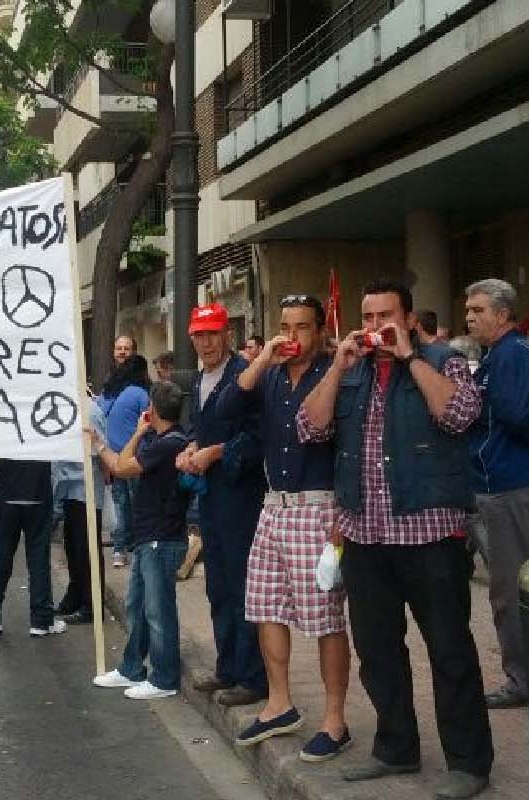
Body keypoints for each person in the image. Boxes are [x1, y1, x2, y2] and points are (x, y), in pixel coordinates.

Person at [298, 278, 492, 800]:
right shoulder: (351, 368)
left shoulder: (441, 360)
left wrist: (410, 359)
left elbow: (460, 414)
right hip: (365, 538)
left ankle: (470, 763)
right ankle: (395, 747)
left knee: (450, 651)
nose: (376, 326)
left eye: (387, 315)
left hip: (430, 536)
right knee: (379, 652)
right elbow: (310, 429)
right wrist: (336, 367)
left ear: (407, 319)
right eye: (368, 317)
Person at [222, 295, 351, 762]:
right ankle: (280, 703)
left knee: (325, 616)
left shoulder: (336, 372)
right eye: (285, 325)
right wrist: (262, 357)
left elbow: (344, 444)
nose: (292, 336)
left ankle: (335, 720)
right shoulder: (272, 373)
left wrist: (343, 516)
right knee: (263, 603)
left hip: (318, 505)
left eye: (301, 327)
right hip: (273, 504)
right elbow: (229, 405)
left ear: (319, 331)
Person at [466, 279, 529, 711]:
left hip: (512, 482)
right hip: (523, 480)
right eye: (468, 309)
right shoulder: (522, 351)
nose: (469, 316)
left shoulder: (508, 355)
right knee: (519, 583)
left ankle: (525, 679)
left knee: (511, 589)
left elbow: (510, 411)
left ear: (502, 315)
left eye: (477, 309)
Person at [176, 303, 268, 708]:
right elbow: (199, 428)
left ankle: (252, 675)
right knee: (217, 585)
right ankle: (227, 665)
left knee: (242, 584)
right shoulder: (198, 381)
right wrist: (192, 446)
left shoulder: (243, 377)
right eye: (200, 334)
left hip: (240, 494)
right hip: (210, 496)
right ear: (192, 337)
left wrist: (217, 453)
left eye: (213, 333)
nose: (207, 341)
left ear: (227, 334)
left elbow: (256, 438)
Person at [92, 381, 191, 699]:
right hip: (149, 537)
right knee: (138, 605)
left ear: (152, 410)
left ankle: (164, 678)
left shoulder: (167, 444)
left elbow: (121, 467)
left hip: (161, 539)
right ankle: (131, 667)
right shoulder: (167, 440)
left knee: (158, 611)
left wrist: (110, 440)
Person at [0, 458, 64, 637]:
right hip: (39, 496)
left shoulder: (3, 428)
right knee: (39, 559)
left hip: (7, 496)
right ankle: (41, 620)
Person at [53, 403, 107, 624]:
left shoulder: (90, 411)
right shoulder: (64, 407)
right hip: (69, 489)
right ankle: (76, 595)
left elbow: (101, 448)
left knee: (87, 551)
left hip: (86, 490)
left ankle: (91, 605)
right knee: (74, 549)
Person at [97, 353, 151, 569]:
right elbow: (148, 424)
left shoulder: (109, 394)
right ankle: (139, 548)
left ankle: (119, 550)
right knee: (139, 504)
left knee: (121, 506)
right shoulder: (140, 394)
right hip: (135, 458)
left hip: (113, 458)